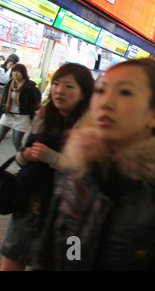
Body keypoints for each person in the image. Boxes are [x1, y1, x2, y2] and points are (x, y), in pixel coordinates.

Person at [32, 58, 155, 270]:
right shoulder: (80, 177)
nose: (106, 102)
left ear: (154, 115)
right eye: (101, 90)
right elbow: (64, 252)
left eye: (125, 92)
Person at [0, 63, 94, 271]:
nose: (59, 90)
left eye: (69, 86)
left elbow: (87, 174)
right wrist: (25, 155)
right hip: (27, 207)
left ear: (84, 93)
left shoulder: (91, 129)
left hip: (66, 218)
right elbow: (22, 158)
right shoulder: (43, 117)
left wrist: (50, 156)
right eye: (57, 84)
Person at [0, 63, 41, 150]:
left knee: (16, 142)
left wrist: (34, 117)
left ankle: (23, 159)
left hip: (21, 117)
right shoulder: (9, 84)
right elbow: (4, 99)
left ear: (23, 73)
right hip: (8, 115)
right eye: (14, 71)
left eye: (18, 72)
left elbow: (36, 102)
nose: (15, 73)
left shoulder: (30, 87)